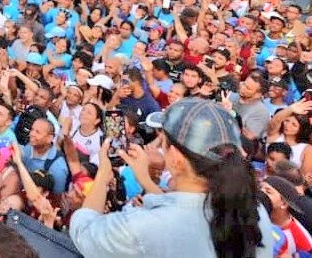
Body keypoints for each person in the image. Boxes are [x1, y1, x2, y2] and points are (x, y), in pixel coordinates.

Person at [69, 98, 274, 257]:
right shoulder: (254, 210)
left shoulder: (141, 228)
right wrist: (146, 181)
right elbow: (187, 213)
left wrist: (102, 177)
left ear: (175, 158)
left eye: (163, 143)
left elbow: (84, 231)